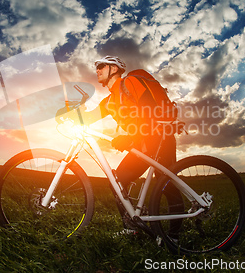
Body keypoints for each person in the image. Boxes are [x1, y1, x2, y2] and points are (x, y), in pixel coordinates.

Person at [75, 55, 178, 234]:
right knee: (118, 181)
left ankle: (175, 236)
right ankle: (132, 228)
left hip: (160, 137)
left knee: (166, 185)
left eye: (101, 66)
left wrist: (130, 138)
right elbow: (89, 118)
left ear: (114, 69)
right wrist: (68, 114)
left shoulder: (130, 83)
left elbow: (149, 110)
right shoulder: (110, 101)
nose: (97, 70)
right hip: (141, 143)